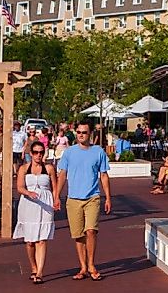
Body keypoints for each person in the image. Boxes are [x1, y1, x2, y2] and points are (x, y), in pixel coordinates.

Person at [55, 120, 112, 281]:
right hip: (73, 199)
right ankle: (83, 267)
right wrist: (56, 196)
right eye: (78, 132)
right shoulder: (69, 152)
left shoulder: (98, 152)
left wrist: (108, 197)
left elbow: (104, 175)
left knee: (91, 231)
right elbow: (62, 175)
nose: (81, 135)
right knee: (78, 235)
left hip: (92, 197)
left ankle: (92, 264)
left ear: (90, 134)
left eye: (84, 132)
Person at [15, 140, 58, 284]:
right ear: (31, 153)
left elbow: (55, 186)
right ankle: (33, 266)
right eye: (35, 152)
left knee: (42, 239)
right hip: (28, 204)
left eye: (41, 152)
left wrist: (56, 199)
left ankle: (39, 272)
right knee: (30, 242)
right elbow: (19, 187)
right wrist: (28, 192)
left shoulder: (49, 168)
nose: (38, 155)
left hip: (45, 204)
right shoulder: (23, 168)